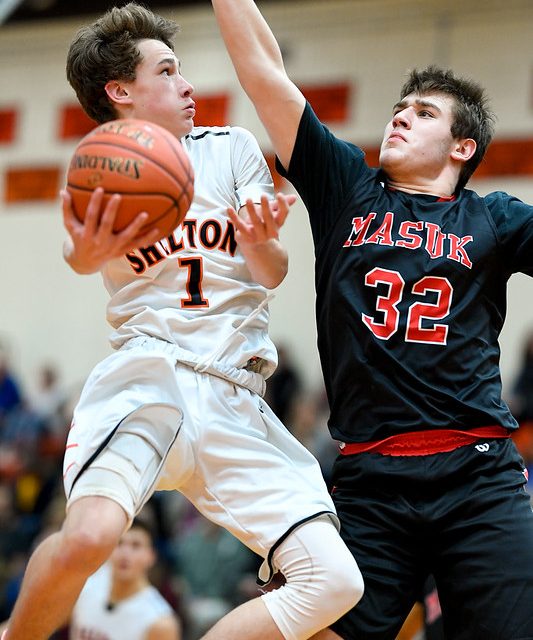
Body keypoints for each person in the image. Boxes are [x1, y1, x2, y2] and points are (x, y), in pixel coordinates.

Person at [1, 4, 363, 640]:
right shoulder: (102, 166)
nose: (188, 84)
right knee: (89, 536)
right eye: (167, 72)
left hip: (236, 394)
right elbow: (80, 254)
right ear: (121, 92)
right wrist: (87, 251)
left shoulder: (231, 148)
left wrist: (258, 240)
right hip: (152, 378)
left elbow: (273, 271)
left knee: (335, 581)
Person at [211, 1, 533, 638]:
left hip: (477, 474)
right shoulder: (346, 190)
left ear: (462, 146)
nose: (401, 117)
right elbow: (262, 72)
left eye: (423, 113)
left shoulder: (492, 217)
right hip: (369, 481)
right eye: (399, 109)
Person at [69, 518, 181, 640]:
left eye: (136, 546)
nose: (125, 553)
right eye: (119, 543)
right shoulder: (83, 584)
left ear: (151, 556)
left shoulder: (160, 622)